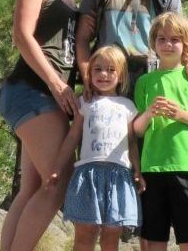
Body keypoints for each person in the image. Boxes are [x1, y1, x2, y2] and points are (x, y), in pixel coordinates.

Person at [0, 0, 87, 251]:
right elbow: (22, 35)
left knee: (33, 187)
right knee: (57, 183)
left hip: (41, 96)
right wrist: (55, 83)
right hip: (32, 90)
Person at [133, 13, 188, 251]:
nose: (168, 44)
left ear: (185, 45)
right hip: (152, 169)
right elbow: (137, 131)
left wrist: (180, 115)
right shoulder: (144, 83)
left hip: (187, 167)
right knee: (154, 240)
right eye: (162, 39)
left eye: (175, 39)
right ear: (153, 44)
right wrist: (148, 114)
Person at [48, 46, 144, 251]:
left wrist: (137, 170)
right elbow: (73, 137)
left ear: (121, 76)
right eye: (97, 69)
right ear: (89, 74)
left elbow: (132, 142)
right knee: (84, 235)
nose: (103, 74)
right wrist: (57, 167)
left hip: (119, 175)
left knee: (111, 237)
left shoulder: (128, 106)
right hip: (88, 174)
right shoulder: (84, 102)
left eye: (111, 70)